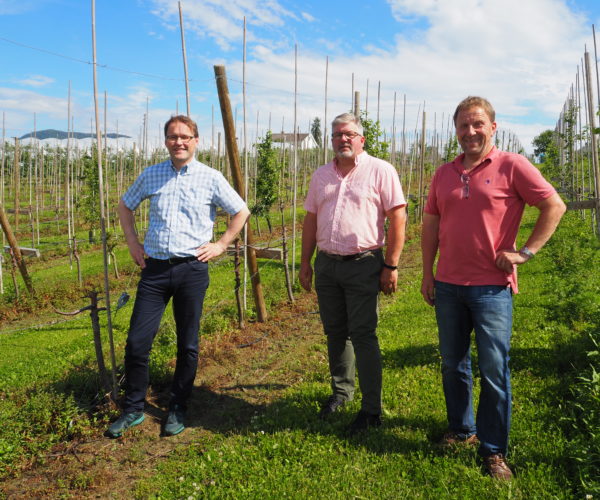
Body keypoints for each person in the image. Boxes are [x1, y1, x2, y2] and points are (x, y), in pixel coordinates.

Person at [421, 96, 566, 479]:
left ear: (492, 127)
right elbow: (432, 225)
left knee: (494, 369)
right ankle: (462, 429)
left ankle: (493, 450)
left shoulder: (512, 165)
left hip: (491, 288)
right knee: (453, 365)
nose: (470, 132)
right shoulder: (443, 174)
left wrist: (526, 252)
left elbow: (555, 205)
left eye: (477, 124)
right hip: (449, 284)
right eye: (463, 126)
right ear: (456, 130)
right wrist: (427, 272)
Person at [106, 115, 249, 438]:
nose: (179, 142)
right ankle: (133, 408)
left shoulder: (210, 178)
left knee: (188, 343)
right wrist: (132, 243)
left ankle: (177, 406)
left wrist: (222, 244)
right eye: (173, 136)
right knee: (137, 341)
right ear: (166, 140)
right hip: (154, 270)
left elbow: (241, 210)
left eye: (185, 136)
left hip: (191, 269)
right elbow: (125, 205)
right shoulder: (152, 173)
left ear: (196, 141)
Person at [300, 112, 407, 434]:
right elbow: (309, 221)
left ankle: (371, 408)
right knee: (335, 332)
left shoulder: (381, 170)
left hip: (363, 264)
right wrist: (305, 262)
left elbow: (398, 218)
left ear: (361, 138)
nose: (342, 139)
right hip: (328, 264)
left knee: (363, 334)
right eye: (336, 135)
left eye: (348, 134)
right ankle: (341, 393)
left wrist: (391, 265)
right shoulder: (321, 175)